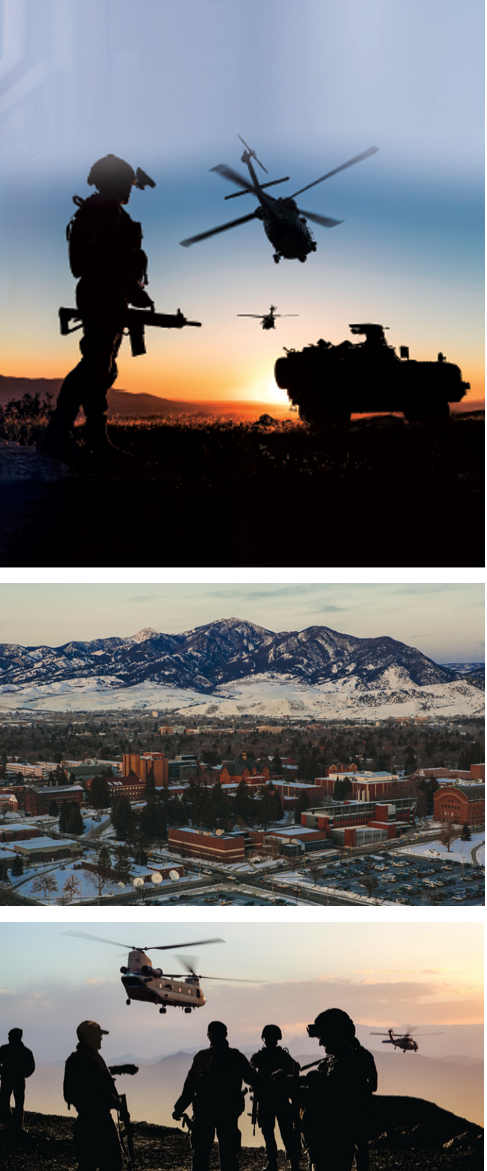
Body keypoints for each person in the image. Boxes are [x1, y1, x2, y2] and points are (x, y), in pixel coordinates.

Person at [38, 153, 155, 459]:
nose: (131, 190)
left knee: (105, 368)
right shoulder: (105, 207)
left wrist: (128, 290)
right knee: (95, 364)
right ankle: (57, 435)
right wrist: (134, 289)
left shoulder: (101, 206)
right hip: (102, 290)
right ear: (116, 182)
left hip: (107, 290)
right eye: (127, 183)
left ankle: (95, 435)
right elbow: (108, 254)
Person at [173, 1020, 255, 1171]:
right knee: (229, 1155)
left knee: (201, 1155)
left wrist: (178, 1108)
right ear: (225, 1035)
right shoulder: (236, 1057)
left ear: (209, 1036)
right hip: (228, 1112)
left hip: (205, 1112)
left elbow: (190, 1087)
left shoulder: (202, 1058)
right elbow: (252, 1079)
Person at [300, 1009, 377, 1171]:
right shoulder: (336, 1060)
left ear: (336, 1035)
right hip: (335, 1134)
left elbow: (330, 1095)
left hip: (334, 1136)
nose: (321, 1043)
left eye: (323, 1038)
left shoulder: (347, 1061)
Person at [63, 1020, 122, 1171]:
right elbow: (101, 1092)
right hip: (100, 1125)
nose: (101, 1038)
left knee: (87, 1165)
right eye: (98, 1035)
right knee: (111, 1166)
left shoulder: (74, 1059)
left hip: (84, 1123)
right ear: (90, 1037)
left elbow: (68, 1094)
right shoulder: (92, 1060)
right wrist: (119, 1105)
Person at [250, 1024, 301, 1171]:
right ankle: (291, 1163)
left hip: (270, 1100)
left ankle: (276, 1162)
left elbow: (252, 1069)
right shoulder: (281, 1056)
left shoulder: (262, 1057)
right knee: (281, 1132)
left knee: (274, 1132)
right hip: (278, 1100)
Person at [0, 1027, 35, 1129]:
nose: (8, 1038)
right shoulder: (25, 1051)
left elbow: (30, 1068)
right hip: (15, 1080)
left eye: (10, 1036)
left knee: (10, 1102)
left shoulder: (5, 1049)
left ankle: (12, 1124)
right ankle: (15, 1125)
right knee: (15, 1103)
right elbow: (31, 1068)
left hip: (10, 1080)